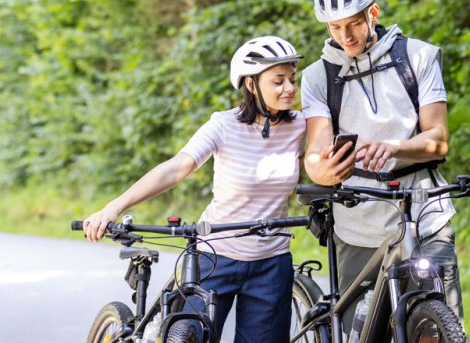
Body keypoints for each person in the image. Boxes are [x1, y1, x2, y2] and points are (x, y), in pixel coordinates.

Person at [82, 35, 305, 342]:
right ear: (252, 85)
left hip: (272, 262)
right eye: (278, 81)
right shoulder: (223, 126)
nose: (290, 88)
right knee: (185, 336)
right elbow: (177, 167)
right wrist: (113, 207)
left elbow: (321, 165)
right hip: (215, 256)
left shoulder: (300, 127)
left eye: (292, 79)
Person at [300, 0, 462, 329]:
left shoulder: (418, 57)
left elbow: (437, 140)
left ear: (373, 12)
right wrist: (323, 169)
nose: (346, 36)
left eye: (354, 23)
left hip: (424, 217)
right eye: (335, 27)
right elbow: (316, 150)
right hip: (357, 224)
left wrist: (392, 147)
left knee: (438, 326)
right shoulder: (317, 77)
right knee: (361, 332)